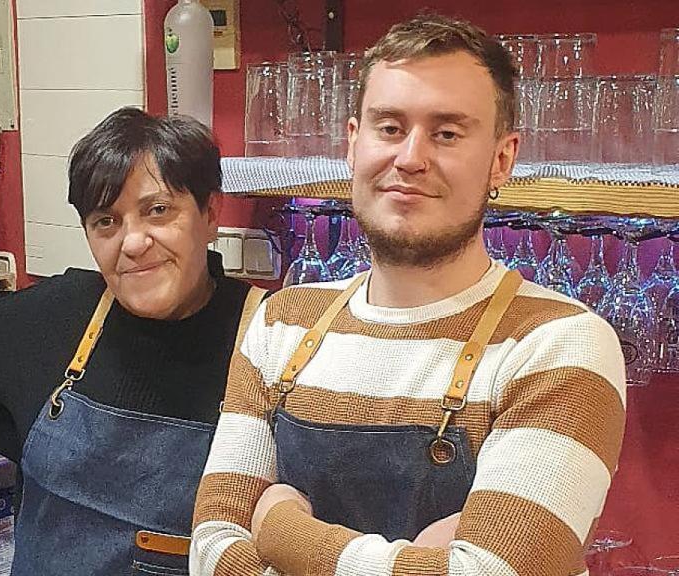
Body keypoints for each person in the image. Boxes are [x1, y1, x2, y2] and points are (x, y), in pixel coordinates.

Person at [190, 14, 626, 576]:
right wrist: (421, 560)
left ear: (502, 159)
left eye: (446, 132)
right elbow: (210, 550)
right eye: (390, 128)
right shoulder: (282, 322)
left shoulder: (561, 345)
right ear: (353, 144)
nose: (411, 158)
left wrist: (279, 527)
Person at [0, 107, 265, 575]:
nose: (132, 242)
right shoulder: (66, 311)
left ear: (210, 214)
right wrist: (30, 447)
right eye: (107, 221)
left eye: (158, 210)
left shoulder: (271, 336)